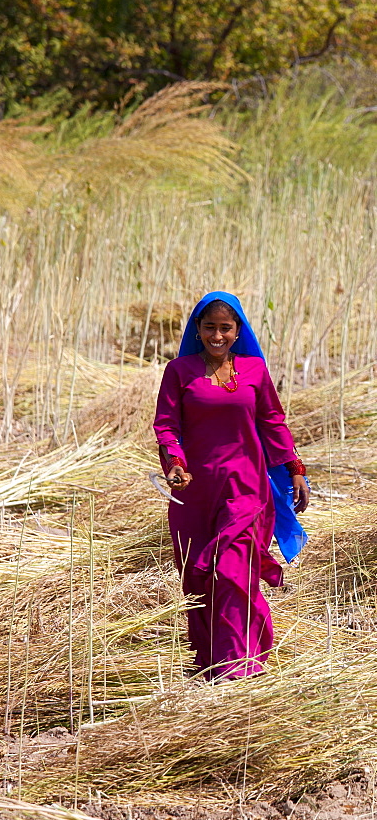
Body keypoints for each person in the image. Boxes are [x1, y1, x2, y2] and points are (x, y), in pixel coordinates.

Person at [153, 292, 309, 681]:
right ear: (198, 330)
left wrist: (295, 468)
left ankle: (237, 667)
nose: (217, 335)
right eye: (210, 327)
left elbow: (273, 421)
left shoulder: (254, 371)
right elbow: (167, 425)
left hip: (245, 487)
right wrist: (174, 464)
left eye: (225, 328)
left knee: (233, 569)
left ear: (238, 331)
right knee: (198, 576)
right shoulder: (179, 371)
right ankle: (209, 661)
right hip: (195, 491)